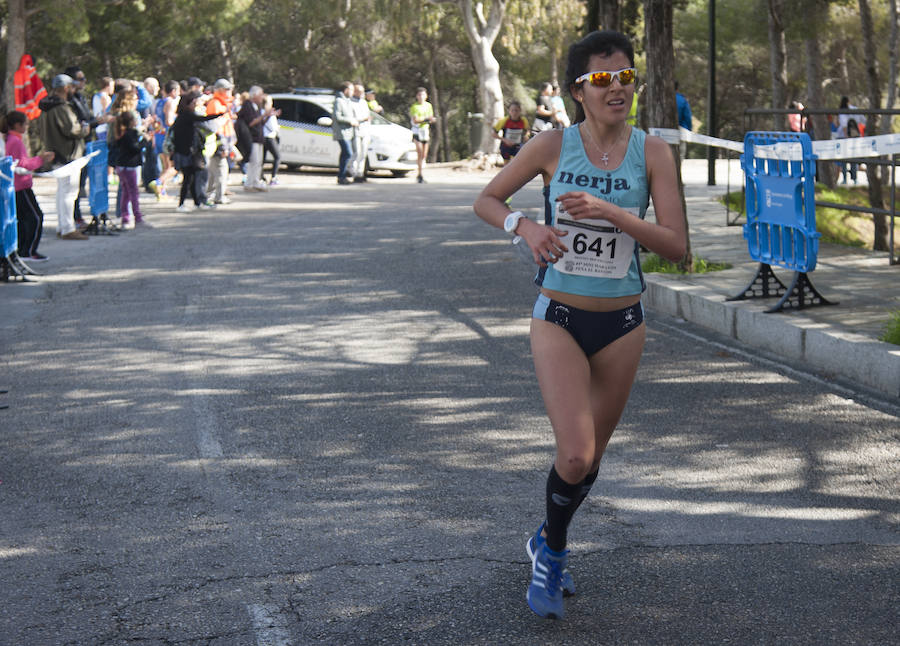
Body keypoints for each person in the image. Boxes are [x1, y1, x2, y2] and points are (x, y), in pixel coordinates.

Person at [473, 29, 686, 621]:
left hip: (623, 322)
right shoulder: (551, 145)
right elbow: (486, 200)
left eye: (625, 77)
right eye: (602, 80)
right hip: (560, 317)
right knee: (573, 456)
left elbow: (676, 246)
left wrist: (614, 212)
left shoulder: (654, 153)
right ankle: (553, 554)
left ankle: (547, 535)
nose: (616, 88)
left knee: (589, 462)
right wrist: (527, 228)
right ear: (578, 91)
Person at [34, 74, 92, 240]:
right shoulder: (62, 107)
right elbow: (72, 130)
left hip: (55, 152)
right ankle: (67, 228)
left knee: (62, 191)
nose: (74, 90)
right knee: (69, 192)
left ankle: (63, 226)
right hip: (68, 154)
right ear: (66, 88)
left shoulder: (46, 106)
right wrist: (84, 129)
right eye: (72, 87)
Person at [2, 110, 55, 260]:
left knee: (25, 218)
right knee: (34, 217)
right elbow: (23, 164)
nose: (26, 126)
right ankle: (28, 251)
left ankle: (24, 249)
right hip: (20, 185)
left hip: (18, 185)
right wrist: (41, 159)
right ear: (18, 125)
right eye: (25, 124)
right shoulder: (15, 141)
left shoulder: (12, 139)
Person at [171, 91, 223, 211]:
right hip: (186, 153)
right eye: (193, 102)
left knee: (192, 177)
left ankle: (197, 203)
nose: (195, 105)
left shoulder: (182, 116)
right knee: (188, 179)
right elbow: (202, 119)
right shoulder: (186, 116)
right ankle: (181, 204)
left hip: (187, 152)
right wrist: (219, 114)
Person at [113, 110, 149, 229]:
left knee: (126, 192)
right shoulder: (129, 134)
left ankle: (126, 217)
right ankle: (137, 217)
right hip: (128, 166)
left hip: (122, 165)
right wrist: (145, 141)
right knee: (133, 192)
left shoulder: (122, 133)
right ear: (132, 121)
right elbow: (135, 148)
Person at [237, 85, 274, 191]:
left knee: (258, 162)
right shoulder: (248, 105)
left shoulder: (256, 106)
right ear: (254, 95)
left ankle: (255, 181)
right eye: (260, 95)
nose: (262, 97)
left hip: (258, 137)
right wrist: (264, 115)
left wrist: (267, 116)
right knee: (254, 161)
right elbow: (251, 122)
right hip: (251, 137)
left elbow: (260, 122)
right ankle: (250, 183)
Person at [206, 79, 235, 201]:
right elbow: (216, 127)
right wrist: (223, 146)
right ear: (219, 90)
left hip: (224, 142)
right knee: (222, 169)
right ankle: (219, 196)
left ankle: (210, 194)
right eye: (227, 89)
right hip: (219, 143)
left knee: (214, 170)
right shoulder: (216, 104)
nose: (230, 92)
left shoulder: (223, 104)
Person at [332, 81, 357, 185]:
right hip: (341, 133)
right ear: (346, 90)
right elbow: (337, 116)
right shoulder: (339, 101)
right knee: (348, 153)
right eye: (351, 90)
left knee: (345, 154)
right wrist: (349, 121)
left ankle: (341, 176)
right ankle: (342, 175)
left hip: (348, 132)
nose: (352, 92)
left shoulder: (347, 101)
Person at [409, 86, 435, 184]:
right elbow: (416, 120)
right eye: (419, 95)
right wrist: (426, 119)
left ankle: (421, 171)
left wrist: (427, 119)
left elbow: (431, 118)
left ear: (426, 96)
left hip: (425, 131)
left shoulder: (428, 106)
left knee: (424, 154)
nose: (421, 97)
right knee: (419, 152)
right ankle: (419, 174)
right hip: (417, 131)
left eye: (423, 94)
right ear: (417, 96)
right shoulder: (414, 107)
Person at [351, 83, 371, 183]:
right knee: (357, 153)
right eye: (360, 91)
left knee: (363, 153)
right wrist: (363, 118)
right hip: (356, 131)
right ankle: (354, 173)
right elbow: (352, 118)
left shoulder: (363, 102)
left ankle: (360, 173)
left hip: (365, 130)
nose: (362, 93)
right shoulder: (350, 102)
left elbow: (368, 115)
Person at [262, 94, 282, 185]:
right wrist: (278, 128)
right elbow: (273, 127)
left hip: (262, 137)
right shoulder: (270, 113)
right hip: (270, 137)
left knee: (262, 158)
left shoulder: (260, 111)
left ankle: (260, 176)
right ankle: (273, 177)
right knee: (277, 157)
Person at [675, 81, 692, 160]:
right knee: (680, 156)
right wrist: (689, 131)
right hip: (680, 132)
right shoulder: (682, 100)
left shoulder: (660, 99)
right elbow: (687, 117)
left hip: (663, 134)